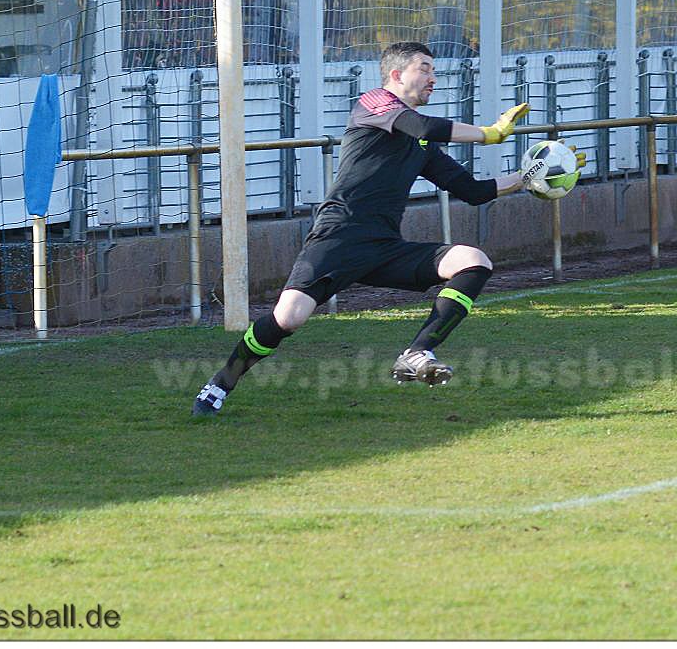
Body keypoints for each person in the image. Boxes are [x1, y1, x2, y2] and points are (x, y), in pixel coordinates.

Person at [193, 41, 580, 416]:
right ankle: (221, 383)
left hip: (384, 247)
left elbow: (473, 192)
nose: (433, 78)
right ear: (395, 75)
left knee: (473, 261)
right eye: (424, 69)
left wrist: (532, 176)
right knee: (289, 318)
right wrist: (489, 133)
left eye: (434, 71)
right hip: (338, 238)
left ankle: (417, 352)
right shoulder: (373, 103)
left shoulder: (421, 145)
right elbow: (421, 124)